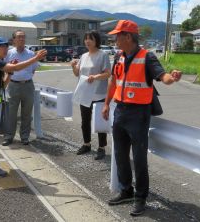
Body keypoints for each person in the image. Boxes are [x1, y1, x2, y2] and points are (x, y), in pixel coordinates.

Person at [102, 20, 182, 216]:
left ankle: (140, 198)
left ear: (128, 37)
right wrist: (106, 104)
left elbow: (163, 77)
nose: (114, 39)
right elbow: (114, 82)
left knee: (139, 158)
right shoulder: (119, 57)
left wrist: (173, 78)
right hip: (120, 110)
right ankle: (126, 191)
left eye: (117, 36)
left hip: (139, 114)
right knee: (120, 155)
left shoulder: (147, 57)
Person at [0, 37, 47, 176]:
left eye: (7, 48)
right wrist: (35, 58)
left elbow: (3, 85)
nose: (6, 51)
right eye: (3, 48)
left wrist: (9, 72)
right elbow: (15, 67)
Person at [71, 31, 111, 160]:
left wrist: (96, 77)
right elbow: (77, 74)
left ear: (96, 41)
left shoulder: (102, 55)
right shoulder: (83, 56)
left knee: (100, 122)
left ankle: (101, 147)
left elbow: (108, 73)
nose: (87, 41)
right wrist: (73, 67)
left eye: (91, 39)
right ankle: (86, 144)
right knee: (85, 121)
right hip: (85, 93)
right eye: (86, 39)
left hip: (99, 93)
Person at [3, 30, 39, 146]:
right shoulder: (9, 53)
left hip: (28, 85)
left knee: (26, 113)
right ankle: (8, 136)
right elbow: (5, 69)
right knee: (11, 113)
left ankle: (24, 137)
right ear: (13, 39)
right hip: (13, 85)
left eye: (23, 37)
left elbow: (33, 69)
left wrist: (25, 77)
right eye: (19, 37)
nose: (21, 39)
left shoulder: (31, 54)